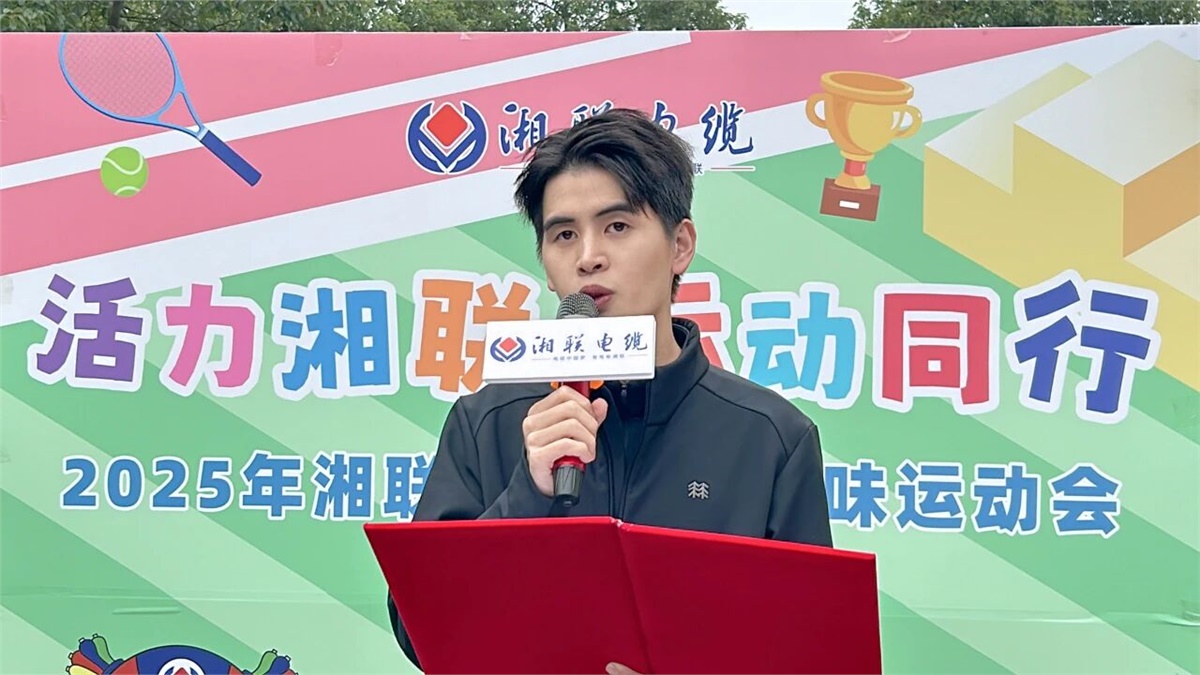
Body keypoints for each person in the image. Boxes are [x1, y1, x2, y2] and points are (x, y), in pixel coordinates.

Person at [386, 107, 833, 673]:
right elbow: (419, 631)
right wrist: (528, 495)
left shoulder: (770, 438)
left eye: (617, 226)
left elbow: (811, 648)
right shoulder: (488, 421)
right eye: (564, 235)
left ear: (680, 245)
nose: (588, 257)